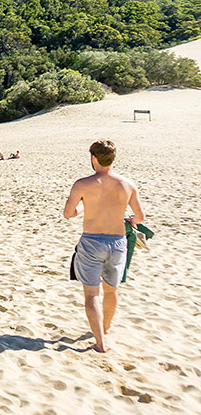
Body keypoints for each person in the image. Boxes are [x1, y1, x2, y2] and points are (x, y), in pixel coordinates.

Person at [62, 140, 144, 353]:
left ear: (93, 158)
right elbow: (140, 216)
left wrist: (83, 208)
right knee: (111, 289)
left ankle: (100, 343)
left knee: (91, 294)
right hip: (118, 242)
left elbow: (68, 213)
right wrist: (126, 218)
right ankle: (105, 328)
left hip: (92, 241)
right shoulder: (127, 184)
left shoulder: (83, 184)